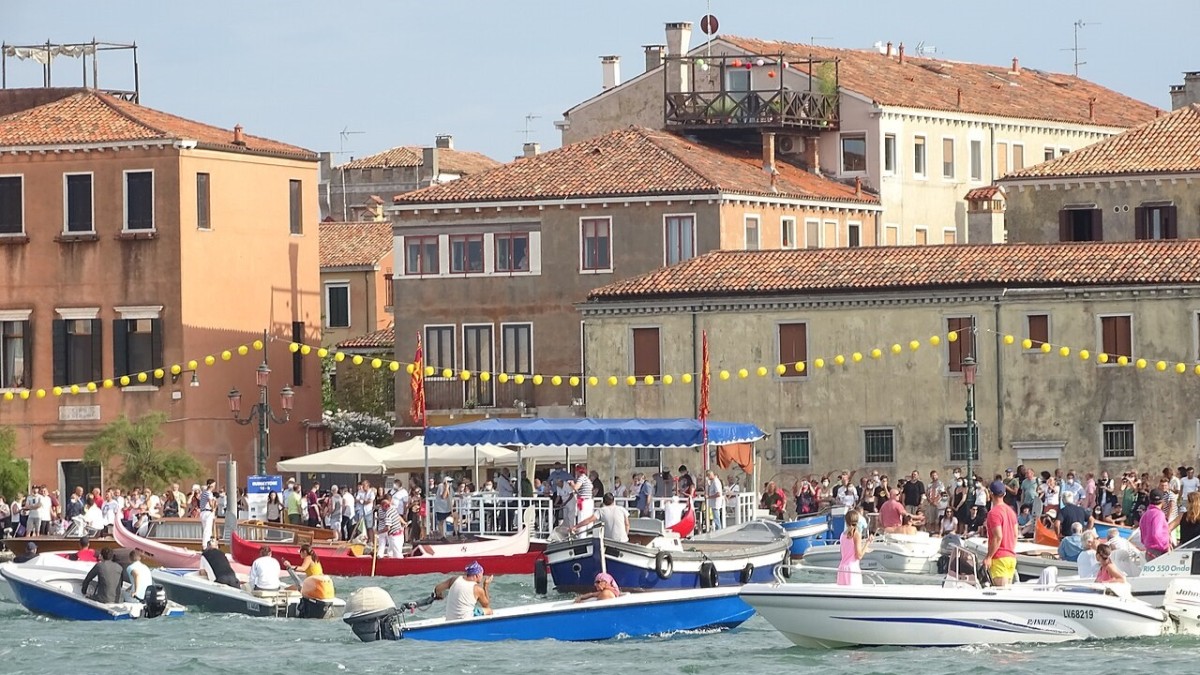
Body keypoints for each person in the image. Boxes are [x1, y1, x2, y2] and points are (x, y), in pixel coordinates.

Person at [983, 480, 1018, 587]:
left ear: (990, 494)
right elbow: (1016, 534)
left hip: (999, 558)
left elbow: (998, 537)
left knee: (1000, 594)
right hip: (1011, 557)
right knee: (1007, 595)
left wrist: (989, 557)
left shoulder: (993, 513)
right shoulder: (1011, 512)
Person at [837, 510, 868, 586]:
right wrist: (867, 543)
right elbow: (859, 556)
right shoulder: (856, 534)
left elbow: (842, 552)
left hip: (842, 569)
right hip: (852, 569)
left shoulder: (842, 535)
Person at [1139, 488, 1172, 560]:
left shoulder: (1145, 514)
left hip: (1149, 550)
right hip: (1159, 552)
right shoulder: (1159, 514)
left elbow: (1142, 534)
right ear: (1162, 501)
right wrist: (1166, 546)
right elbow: (1156, 534)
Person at [198, 479, 216, 545]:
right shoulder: (209, 493)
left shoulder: (203, 492)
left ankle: (206, 544)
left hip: (202, 512)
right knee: (208, 530)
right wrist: (213, 508)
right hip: (207, 512)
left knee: (206, 529)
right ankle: (206, 545)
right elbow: (210, 502)